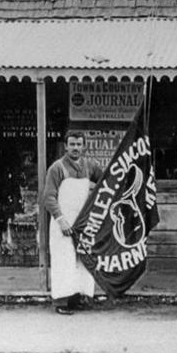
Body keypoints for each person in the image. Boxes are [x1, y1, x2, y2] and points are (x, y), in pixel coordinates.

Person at [41, 131, 103, 315]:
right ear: (66, 146)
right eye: (72, 144)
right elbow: (48, 197)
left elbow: (105, 181)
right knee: (64, 260)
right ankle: (61, 302)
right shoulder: (57, 168)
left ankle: (79, 298)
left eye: (79, 144)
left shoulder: (90, 166)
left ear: (84, 146)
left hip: (82, 223)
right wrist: (61, 220)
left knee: (82, 261)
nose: (75, 148)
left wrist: (94, 190)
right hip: (64, 223)